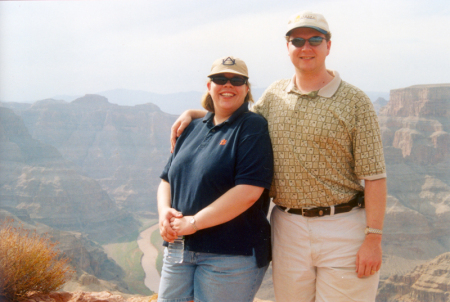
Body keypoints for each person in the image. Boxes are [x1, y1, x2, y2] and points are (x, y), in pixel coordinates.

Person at [170, 11, 387, 302]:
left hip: (343, 226)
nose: (305, 47)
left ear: (328, 46)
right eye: (297, 40)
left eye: (315, 40)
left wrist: (373, 239)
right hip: (288, 227)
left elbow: (374, 176)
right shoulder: (275, 95)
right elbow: (237, 120)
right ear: (288, 47)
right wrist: (196, 114)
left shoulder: (355, 101)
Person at [157, 55, 273, 302]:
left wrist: (194, 222)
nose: (228, 84)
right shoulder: (191, 127)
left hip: (230, 254)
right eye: (220, 79)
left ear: (247, 88)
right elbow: (167, 179)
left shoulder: (252, 127)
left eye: (237, 80)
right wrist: (164, 212)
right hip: (180, 248)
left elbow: (249, 190)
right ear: (209, 86)